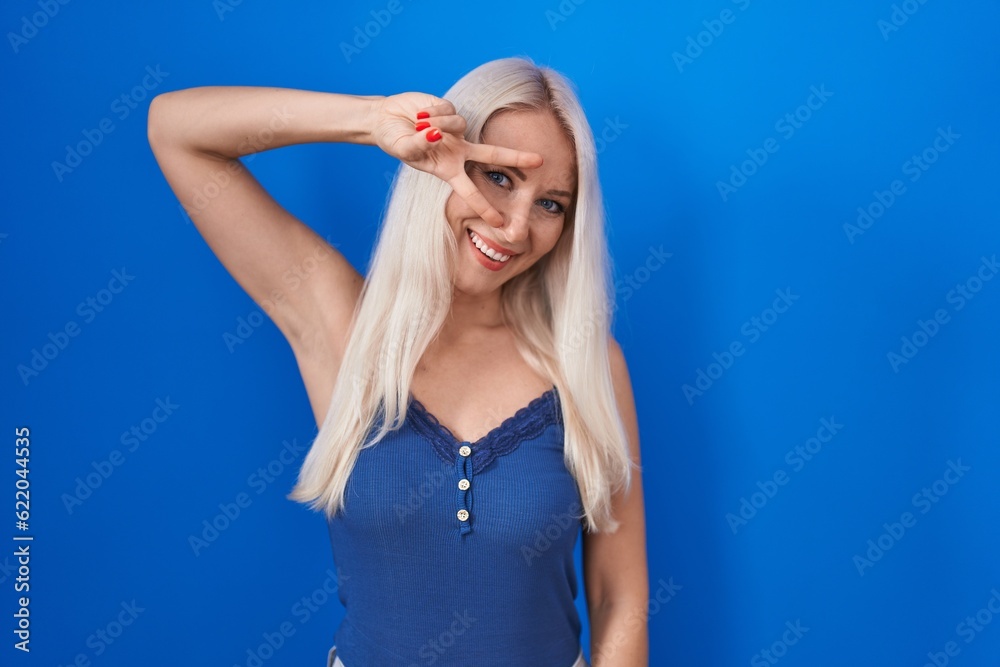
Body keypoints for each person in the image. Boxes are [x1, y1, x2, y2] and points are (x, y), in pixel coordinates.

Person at [147, 56, 648, 667]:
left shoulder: (587, 362)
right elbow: (175, 130)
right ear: (439, 160)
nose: (515, 227)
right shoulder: (344, 327)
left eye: (551, 205)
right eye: (496, 176)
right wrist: (368, 121)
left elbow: (616, 596)